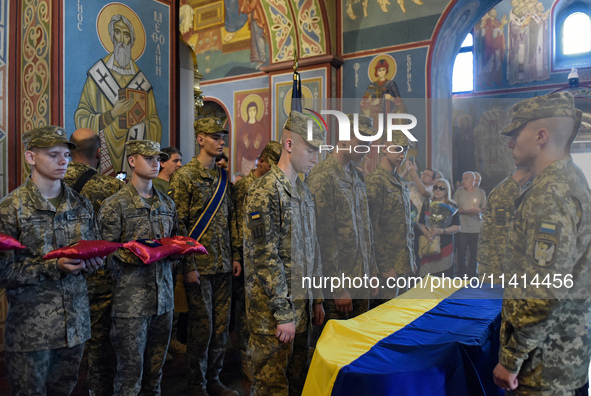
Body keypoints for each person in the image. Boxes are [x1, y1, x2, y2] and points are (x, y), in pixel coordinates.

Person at [493, 92, 591, 394]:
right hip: (563, 357)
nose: (510, 143)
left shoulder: (549, 194)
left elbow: (543, 293)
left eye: (515, 133)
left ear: (540, 136)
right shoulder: (572, 179)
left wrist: (510, 359)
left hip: (543, 365)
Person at [0, 126, 103, 395]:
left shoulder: (81, 204)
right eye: (53, 155)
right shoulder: (10, 208)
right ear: (31, 158)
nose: (63, 161)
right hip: (32, 333)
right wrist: (52, 267)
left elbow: (92, 250)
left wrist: (94, 264)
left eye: (67, 155)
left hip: (75, 327)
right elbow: (3, 272)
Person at [243, 111, 325, 396]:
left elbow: (311, 249)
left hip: (300, 309)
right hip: (273, 317)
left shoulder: (303, 191)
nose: (316, 157)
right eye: (311, 149)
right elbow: (265, 257)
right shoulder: (264, 192)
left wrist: (316, 300)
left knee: (298, 382)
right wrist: (282, 313)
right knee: (271, 387)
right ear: (289, 145)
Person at [169, 117, 241, 396]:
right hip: (199, 265)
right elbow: (179, 225)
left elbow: (231, 218)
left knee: (222, 327)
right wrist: (187, 265)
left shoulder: (223, 177)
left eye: (222, 136)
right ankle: (195, 384)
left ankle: (214, 378)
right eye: (215, 136)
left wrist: (235, 255)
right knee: (203, 328)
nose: (221, 140)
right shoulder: (185, 176)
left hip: (223, 263)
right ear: (200, 139)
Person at [98, 140, 176, 395]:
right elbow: (105, 255)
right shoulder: (115, 205)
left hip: (163, 299)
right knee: (130, 374)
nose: (156, 163)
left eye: (158, 159)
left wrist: (176, 251)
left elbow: (174, 242)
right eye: (149, 158)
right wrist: (140, 254)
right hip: (130, 303)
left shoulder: (167, 204)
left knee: (156, 373)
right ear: (132, 161)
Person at [64, 127, 125, 396]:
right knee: (100, 347)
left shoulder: (51, 182)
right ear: (99, 153)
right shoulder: (111, 186)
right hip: (99, 279)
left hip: (60, 276)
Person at [306, 114, 378, 321]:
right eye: (361, 143)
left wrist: (371, 270)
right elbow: (321, 238)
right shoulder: (323, 177)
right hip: (339, 286)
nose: (366, 149)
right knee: (337, 348)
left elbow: (366, 228)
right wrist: (337, 288)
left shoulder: (357, 176)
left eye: (369, 144)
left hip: (360, 280)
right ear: (344, 138)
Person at [75, 14, 162, 176]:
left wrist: (140, 125)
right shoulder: (98, 75)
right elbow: (81, 116)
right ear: (111, 36)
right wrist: (112, 114)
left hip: (132, 161)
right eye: (117, 32)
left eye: (126, 34)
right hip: (104, 152)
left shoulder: (141, 82)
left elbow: (155, 121)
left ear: (132, 41)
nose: (122, 38)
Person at [232, 140, 281, 380]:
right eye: (271, 165)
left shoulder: (274, 185)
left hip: (265, 257)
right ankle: (245, 357)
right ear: (261, 161)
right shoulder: (246, 186)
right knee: (246, 311)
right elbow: (236, 220)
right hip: (246, 257)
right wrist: (236, 254)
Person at [366, 131, 416, 302]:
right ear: (385, 149)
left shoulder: (400, 181)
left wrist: (411, 258)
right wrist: (385, 266)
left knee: (402, 318)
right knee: (385, 320)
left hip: (402, 263)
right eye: (398, 149)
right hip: (387, 267)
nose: (402, 155)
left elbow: (406, 224)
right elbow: (372, 227)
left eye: (405, 151)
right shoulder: (376, 181)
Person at [476, 168, 532, 280]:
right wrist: (513, 271)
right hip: (496, 269)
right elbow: (502, 236)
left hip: (501, 266)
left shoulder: (516, 188)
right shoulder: (506, 191)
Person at [416, 178, 460, 277]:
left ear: (446, 191)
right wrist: (427, 233)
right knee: (427, 277)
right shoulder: (427, 204)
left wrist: (442, 230)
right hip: (429, 244)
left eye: (441, 188)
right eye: (436, 187)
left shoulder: (452, 206)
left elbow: (457, 227)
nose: (438, 190)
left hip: (445, 246)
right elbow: (420, 223)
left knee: (444, 277)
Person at [453, 171, 486, 277]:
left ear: (473, 180)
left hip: (475, 227)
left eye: (466, 179)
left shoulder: (480, 193)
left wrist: (478, 210)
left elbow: (485, 208)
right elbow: (453, 207)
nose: (463, 181)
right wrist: (464, 211)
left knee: (474, 253)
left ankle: (472, 275)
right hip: (462, 228)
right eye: (463, 179)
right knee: (461, 253)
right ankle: (462, 275)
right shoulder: (459, 192)